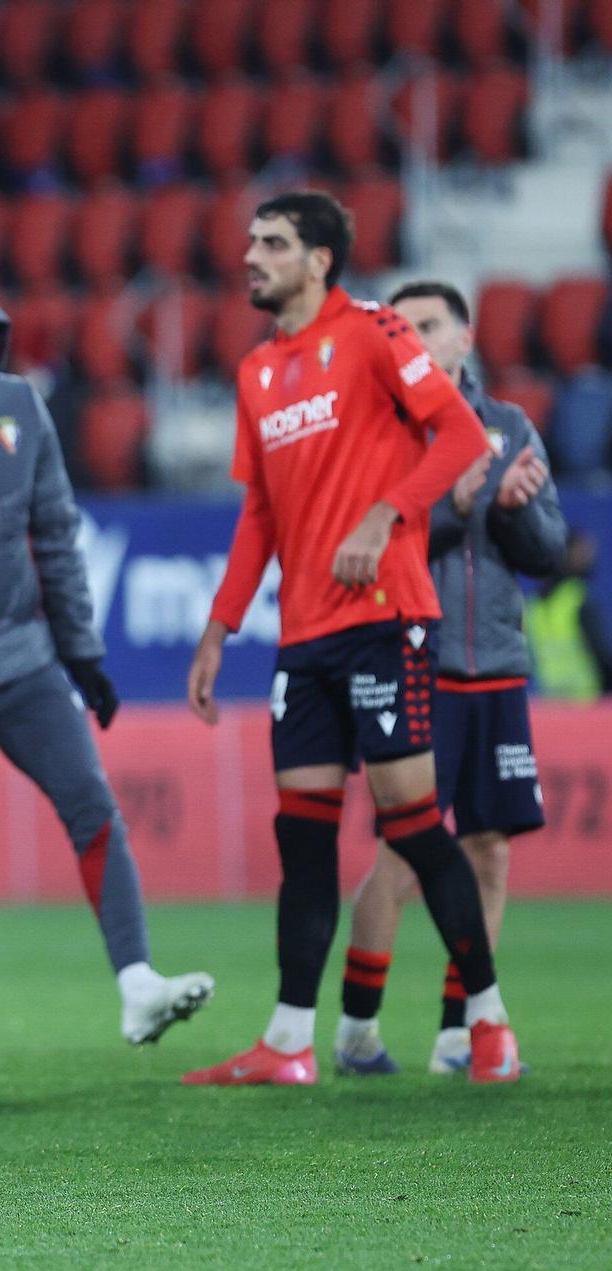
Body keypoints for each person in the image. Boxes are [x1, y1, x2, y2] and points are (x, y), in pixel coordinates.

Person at [186, 191, 524, 1086]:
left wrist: (387, 514)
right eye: (251, 239)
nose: (251, 255)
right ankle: (289, 1041)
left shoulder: (373, 333)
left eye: (274, 243)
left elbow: (458, 435)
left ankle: (487, 1023)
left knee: (413, 825)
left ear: (321, 260)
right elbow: (258, 513)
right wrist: (220, 628)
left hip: (384, 619)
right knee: (303, 841)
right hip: (304, 639)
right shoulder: (259, 371)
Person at [0, 258, 213, 1086]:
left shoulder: (21, 408)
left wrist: (84, 653)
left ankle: (139, 984)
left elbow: (57, 538)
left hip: (28, 660)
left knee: (94, 810)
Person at [336, 280, 565, 1076]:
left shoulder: (508, 426)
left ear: (466, 339)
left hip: (495, 665)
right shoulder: (383, 424)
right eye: (406, 326)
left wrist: (509, 507)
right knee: (405, 855)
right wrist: (462, 503)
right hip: (415, 659)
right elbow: (375, 547)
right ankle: (358, 1029)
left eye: (431, 324)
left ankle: (458, 1032)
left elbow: (545, 553)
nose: (419, 337)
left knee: (490, 850)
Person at [525, 529, 612, 700]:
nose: (588, 558)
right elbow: (604, 655)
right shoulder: (579, 598)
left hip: (551, 704)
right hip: (588, 703)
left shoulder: (533, 605)